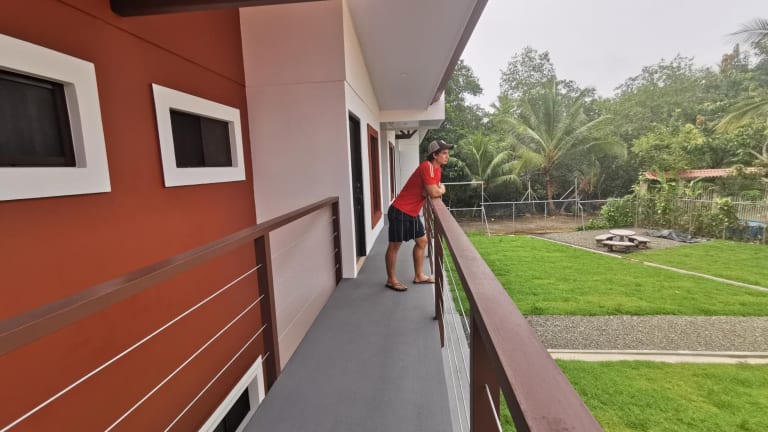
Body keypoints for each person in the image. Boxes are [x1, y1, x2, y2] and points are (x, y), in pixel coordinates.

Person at [385, 139, 453, 292]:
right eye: (444, 153)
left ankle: (419, 276)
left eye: (447, 153)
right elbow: (434, 192)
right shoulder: (426, 166)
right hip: (400, 210)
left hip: (413, 212)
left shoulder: (437, 170)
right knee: (395, 246)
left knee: (422, 241)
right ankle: (391, 280)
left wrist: (435, 190)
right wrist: (442, 189)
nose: (447, 156)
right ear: (434, 155)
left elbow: (429, 191)